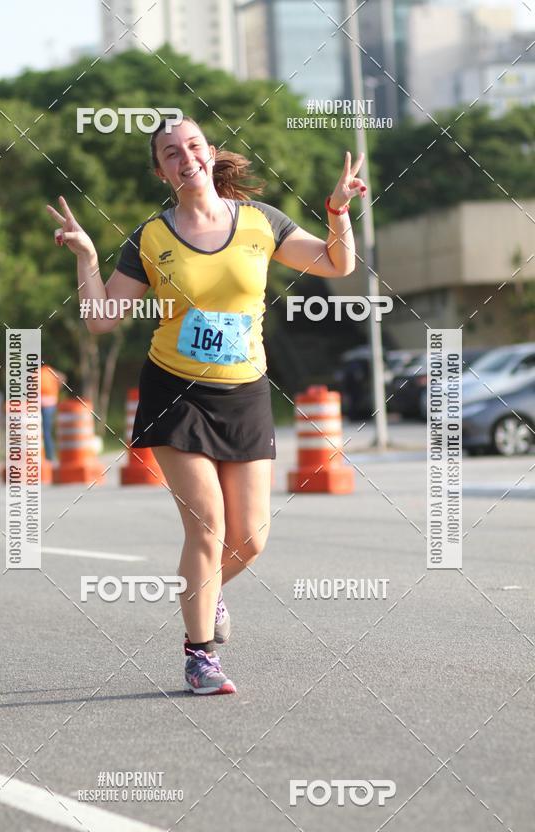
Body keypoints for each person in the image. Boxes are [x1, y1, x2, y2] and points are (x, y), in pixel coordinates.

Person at [46, 116, 366, 696]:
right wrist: (87, 257)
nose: (185, 156)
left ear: (210, 153)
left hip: (245, 392)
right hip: (175, 393)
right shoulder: (151, 237)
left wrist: (339, 211)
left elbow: (336, 263)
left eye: (192, 145)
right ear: (161, 171)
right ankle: (200, 657)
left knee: (251, 538)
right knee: (208, 527)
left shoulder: (260, 222)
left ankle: (207, 592)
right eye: (170, 152)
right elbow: (101, 319)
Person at [39, 364, 65, 461]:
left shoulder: (43, 372)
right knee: (47, 432)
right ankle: (49, 456)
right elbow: (62, 378)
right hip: (48, 405)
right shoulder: (48, 371)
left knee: (46, 432)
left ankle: (49, 456)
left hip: (46, 406)